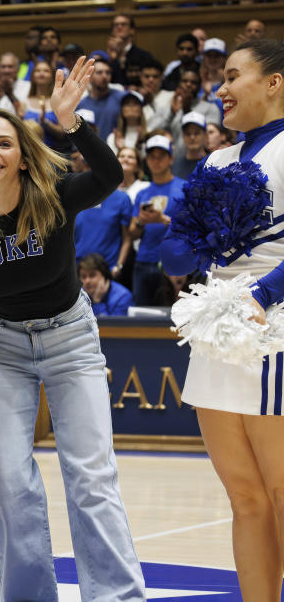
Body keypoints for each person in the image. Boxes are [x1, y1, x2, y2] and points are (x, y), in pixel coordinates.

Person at [0, 58, 146, 602]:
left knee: (91, 480)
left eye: (4, 143)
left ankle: (117, 597)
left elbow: (108, 177)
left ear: (23, 157)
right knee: (7, 484)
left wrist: (70, 120)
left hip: (71, 339)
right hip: (4, 346)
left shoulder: (53, 195)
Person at [157, 38, 284, 599]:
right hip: (216, 327)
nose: (221, 88)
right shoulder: (215, 161)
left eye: (234, 77)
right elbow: (173, 258)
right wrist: (200, 231)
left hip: (274, 325)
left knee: (282, 492)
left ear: (274, 82)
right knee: (245, 496)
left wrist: (263, 291)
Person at [128, 134, 185, 305]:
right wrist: (141, 222)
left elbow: (192, 228)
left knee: (171, 317)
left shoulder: (185, 188)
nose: (156, 160)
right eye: (152, 156)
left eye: (161, 156)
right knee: (140, 318)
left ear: (171, 159)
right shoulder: (142, 193)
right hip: (144, 260)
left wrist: (163, 220)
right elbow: (132, 233)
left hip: (174, 262)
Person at [171, 111, 207, 178]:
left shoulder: (213, 161)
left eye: (196, 133)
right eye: (188, 133)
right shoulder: (174, 166)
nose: (192, 137)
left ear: (205, 134)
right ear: (183, 136)